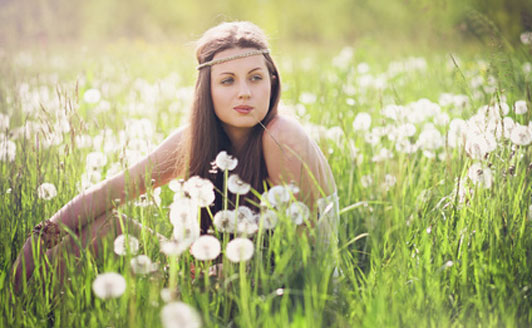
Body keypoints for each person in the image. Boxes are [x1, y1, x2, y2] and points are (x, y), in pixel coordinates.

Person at [12, 21, 337, 294]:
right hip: (219, 277)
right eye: (227, 80)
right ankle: (25, 319)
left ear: (272, 83)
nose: (244, 92)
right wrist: (41, 235)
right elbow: (112, 192)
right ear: (205, 89)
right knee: (105, 229)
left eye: (255, 77)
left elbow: (301, 256)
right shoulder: (194, 140)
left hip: (285, 292)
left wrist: (220, 279)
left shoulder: (282, 138)